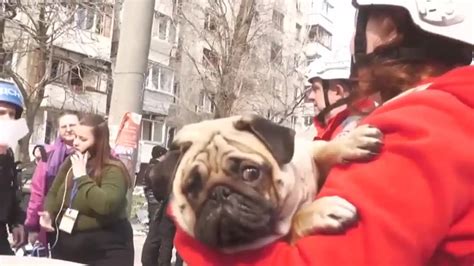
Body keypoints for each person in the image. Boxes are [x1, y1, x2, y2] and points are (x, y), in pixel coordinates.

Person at [171, 1, 474, 265]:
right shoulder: (454, 115)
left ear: (390, 28)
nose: (354, 36)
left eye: (363, 20)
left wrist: (193, 212)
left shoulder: (420, 128)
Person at [39, 114, 134, 265]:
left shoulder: (113, 169)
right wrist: (48, 213)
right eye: (75, 137)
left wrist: (82, 177)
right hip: (68, 246)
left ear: (99, 142)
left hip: (105, 249)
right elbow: (54, 192)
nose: (75, 143)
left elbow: (106, 205)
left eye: (83, 139)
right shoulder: (71, 162)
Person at [25, 111, 79, 248]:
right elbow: (37, 193)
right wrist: (32, 226)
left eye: (72, 125)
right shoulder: (48, 155)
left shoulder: (93, 153)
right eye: (63, 126)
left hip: (83, 225)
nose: (68, 129)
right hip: (53, 224)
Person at [306, 55, 376, 141]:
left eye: (316, 89)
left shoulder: (353, 132)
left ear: (338, 91)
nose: (310, 97)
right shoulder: (333, 129)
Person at [142, 145, 184, 266]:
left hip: (167, 206)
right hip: (177, 208)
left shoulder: (164, 166)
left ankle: (162, 263)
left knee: (165, 240)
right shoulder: (183, 166)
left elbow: (157, 187)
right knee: (177, 241)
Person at [0, 79, 26, 255]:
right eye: (1, 113)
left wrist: (15, 222)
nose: (7, 120)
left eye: (12, 114)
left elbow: (10, 191)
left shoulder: (7, 156)